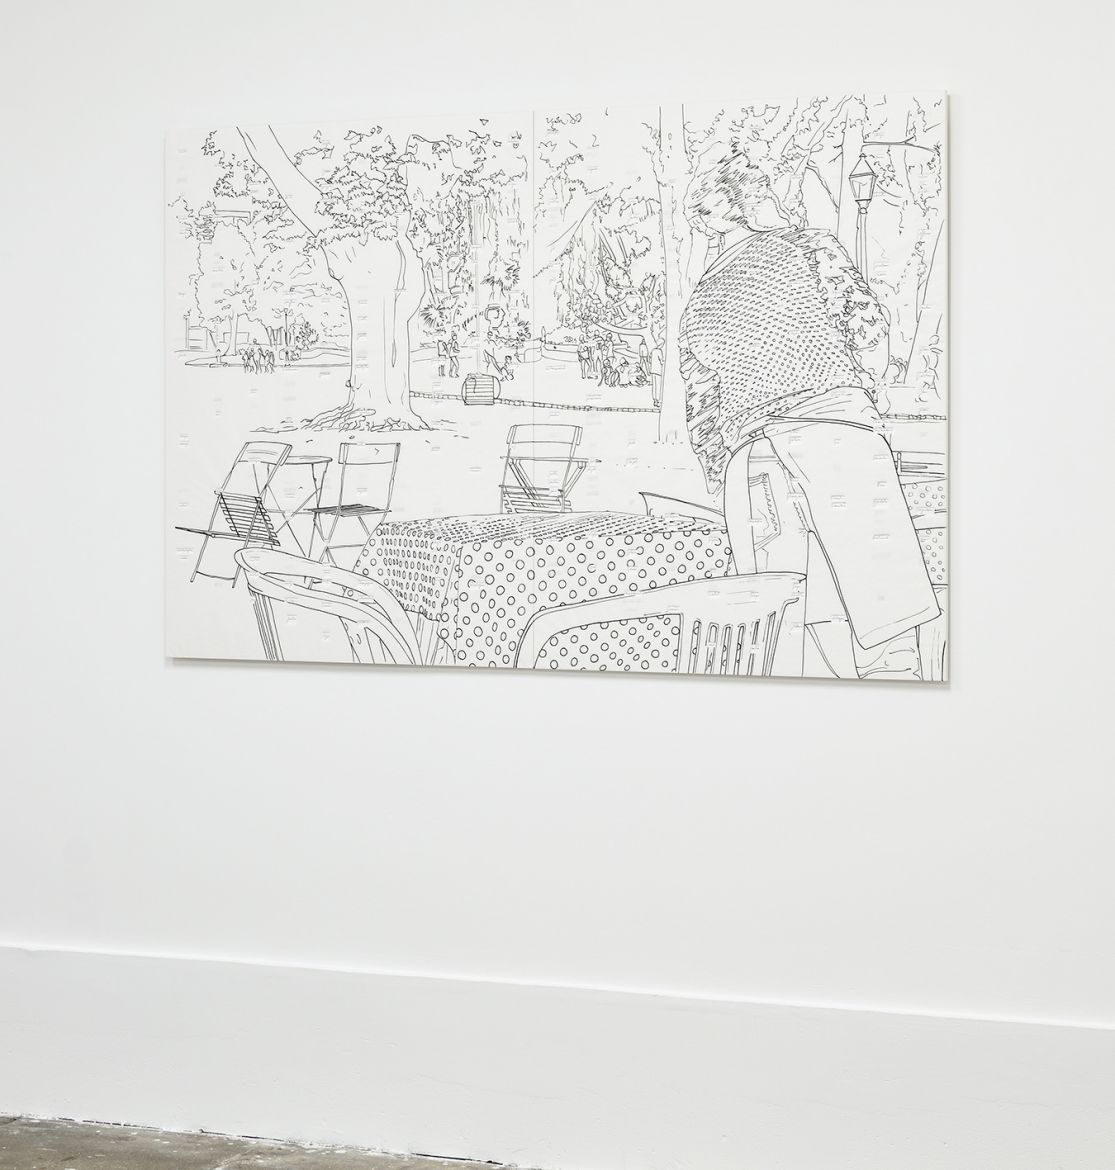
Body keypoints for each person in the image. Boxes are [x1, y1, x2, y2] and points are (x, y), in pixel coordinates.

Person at [679, 152, 939, 680]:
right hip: (835, 434)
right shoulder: (810, 248)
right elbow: (867, 328)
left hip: (750, 460)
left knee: (798, 617)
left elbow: (702, 410)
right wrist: (868, 391)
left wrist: (720, 475)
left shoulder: (699, 301)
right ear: (752, 203)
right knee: (883, 615)